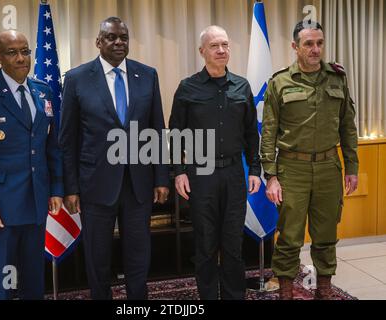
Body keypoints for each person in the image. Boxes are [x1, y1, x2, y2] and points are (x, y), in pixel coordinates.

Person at [59, 17, 170, 300]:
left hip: (138, 183)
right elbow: (67, 139)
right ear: (98, 42)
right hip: (95, 184)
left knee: (138, 252)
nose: (119, 42)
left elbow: (156, 130)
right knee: (98, 256)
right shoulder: (76, 79)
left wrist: (161, 178)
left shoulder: (147, 75)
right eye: (111, 37)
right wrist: (70, 187)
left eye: (124, 37)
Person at [0, 30, 63, 299]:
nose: (21, 58)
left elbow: (52, 146)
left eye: (25, 51)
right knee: (5, 277)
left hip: (37, 200)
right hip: (1, 206)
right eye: (12, 52)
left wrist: (56, 189)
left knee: (32, 276)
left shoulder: (42, 91)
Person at [261, 21, 359, 300]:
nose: (315, 49)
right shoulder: (280, 82)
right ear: (295, 47)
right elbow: (268, 132)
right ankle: (286, 291)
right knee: (290, 236)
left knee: (326, 234)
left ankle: (324, 289)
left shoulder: (337, 78)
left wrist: (352, 167)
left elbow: (347, 127)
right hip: (292, 169)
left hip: (329, 166)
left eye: (319, 43)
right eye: (308, 44)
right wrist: (271, 174)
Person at [169, 25, 261, 300]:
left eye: (225, 45)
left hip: (234, 173)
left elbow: (249, 134)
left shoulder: (242, 86)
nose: (221, 50)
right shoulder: (187, 88)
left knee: (233, 244)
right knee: (206, 244)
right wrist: (179, 172)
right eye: (214, 46)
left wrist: (254, 169)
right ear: (202, 52)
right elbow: (175, 134)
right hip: (201, 174)